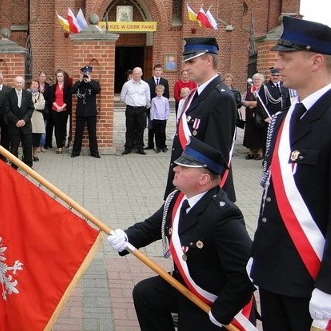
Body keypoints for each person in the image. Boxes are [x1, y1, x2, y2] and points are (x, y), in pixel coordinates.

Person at [250, 16, 331, 331]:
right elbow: (271, 197)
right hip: (273, 271)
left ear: (316, 61)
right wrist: (259, 253)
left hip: (310, 278)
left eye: (286, 57)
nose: (277, 63)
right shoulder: (286, 118)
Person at [107, 137, 256, 331]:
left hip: (212, 297)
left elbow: (245, 272)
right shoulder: (178, 199)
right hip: (186, 286)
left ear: (203, 179)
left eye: (185, 167)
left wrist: (221, 312)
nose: (176, 169)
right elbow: (151, 226)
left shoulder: (223, 216)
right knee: (146, 294)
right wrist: (127, 237)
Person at [164, 37, 237, 202]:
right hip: (186, 183)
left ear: (208, 60)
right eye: (186, 62)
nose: (186, 67)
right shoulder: (195, 95)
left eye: (191, 62)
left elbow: (217, 154)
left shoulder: (221, 98)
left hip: (202, 190)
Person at [2, 75, 34, 168]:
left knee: (27, 145)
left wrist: (24, 120)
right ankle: (14, 165)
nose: (19, 84)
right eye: (17, 82)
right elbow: (6, 110)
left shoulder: (28, 94)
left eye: (21, 83)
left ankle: (28, 164)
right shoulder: (8, 94)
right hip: (13, 125)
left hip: (26, 124)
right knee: (14, 146)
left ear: (23, 84)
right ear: (14, 83)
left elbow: (31, 108)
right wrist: (16, 121)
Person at [70, 65, 101, 158]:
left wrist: (90, 81)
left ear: (90, 73)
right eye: (85, 73)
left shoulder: (94, 82)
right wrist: (79, 81)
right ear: (82, 73)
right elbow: (72, 91)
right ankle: (75, 152)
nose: (86, 75)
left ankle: (94, 153)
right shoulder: (79, 83)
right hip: (81, 111)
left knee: (92, 133)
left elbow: (97, 90)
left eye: (88, 73)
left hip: (91, 112)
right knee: (78, 132)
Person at [120, 67, 150, 155]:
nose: (137, 75)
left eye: (138, 73)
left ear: (141, 74)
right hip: (130, 109)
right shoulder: (127, 84)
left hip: (141, 109)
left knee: (140, 129)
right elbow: (122, 96)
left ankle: (139, 147)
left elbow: (148, 98)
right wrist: (129, 102)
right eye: (135, 73)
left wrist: (144, 106)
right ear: (132, 74)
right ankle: (128, 147)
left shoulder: (145, 85)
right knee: (129, 129)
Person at [43, 69, 72, 154]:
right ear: (56, 77)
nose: (59, 78)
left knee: (62, 127)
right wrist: (57, 106)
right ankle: (59, 146)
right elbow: (51, 98)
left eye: (61, 76)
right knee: (57, 127)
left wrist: (62, 107)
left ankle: (61, 143)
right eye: (58, 76)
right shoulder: (53, 87)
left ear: (63, 77)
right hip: (54, 109)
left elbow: (68, 99)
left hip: (64, 109)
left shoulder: (67, 87)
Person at [145, 64, 169, 150]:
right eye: (156, 70)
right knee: (151, 127)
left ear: (161, 71)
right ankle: (150, 144)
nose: (158, 72)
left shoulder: (165, 81)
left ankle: (163, 145)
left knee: (162, 129)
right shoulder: (148, 81)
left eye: (159, 70)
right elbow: (147, 95)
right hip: (151, 108)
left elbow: (167, 95)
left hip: (162, 111)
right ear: (154, 71)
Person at [242, 73, 265, 160]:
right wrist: (246, 103)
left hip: (260, 116)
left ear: (262, 81)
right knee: (250, 133)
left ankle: (260, 152)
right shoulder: (249, 90)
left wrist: (253, 104)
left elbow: (264, 102)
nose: (256, 82)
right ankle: (251, 151)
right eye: (255, 80)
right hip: (250, 115)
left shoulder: (264, 90)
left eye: (258, 80)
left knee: (259, 133)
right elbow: (243, 100)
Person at [0, 71, 13, 156]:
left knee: (5, 137)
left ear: (2, 79)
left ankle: (3, 156)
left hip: (5, 117)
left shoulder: (9, 89)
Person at [29, 80, 45, 161]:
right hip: (28, 119)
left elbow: (42, 105)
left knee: (36, 139)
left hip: (37, 119)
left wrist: (32, 105)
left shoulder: (40, 95)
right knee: (28, 139)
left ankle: (35, 155)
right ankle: (28, 155)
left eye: (36, 84)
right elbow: (26, 104)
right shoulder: (26, 93)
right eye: (33, 84)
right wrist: (36, 104)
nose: (34, 85)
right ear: (30, 85)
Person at [150, 84, 169, 153]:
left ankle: (163, 146)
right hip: (155, 118)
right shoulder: (154, 100)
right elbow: (152, 109)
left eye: (161, 91)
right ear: (155, 91)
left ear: (163, 92)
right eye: (158, 91)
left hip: (163, 118)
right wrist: (152, 118)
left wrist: (166, 116)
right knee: (157, 133)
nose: (159, 92)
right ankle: (158, 146)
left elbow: (167, 109)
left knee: (162, 132)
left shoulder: (165, 100)